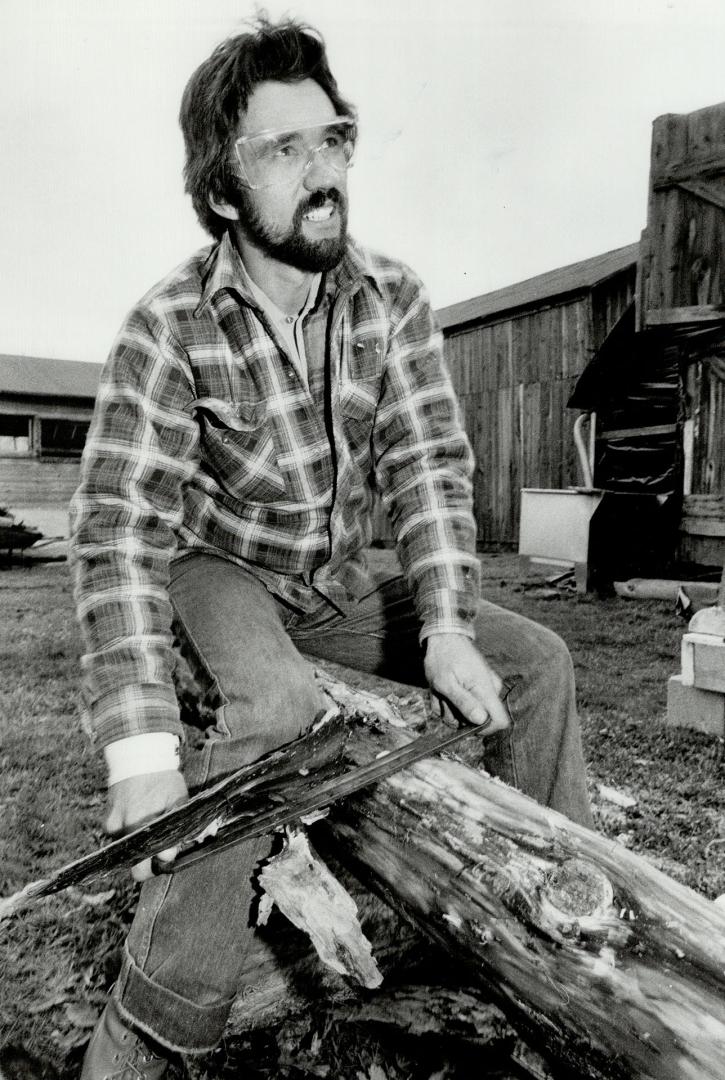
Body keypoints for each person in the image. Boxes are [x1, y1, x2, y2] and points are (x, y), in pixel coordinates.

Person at [70, 16, 593, 1078]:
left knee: (533, 664)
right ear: (221, 191)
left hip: (335, 575)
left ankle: (564, 947)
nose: (324, 173)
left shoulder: (389, 297)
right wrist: (138, 751)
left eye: (334, 139)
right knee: (275, 709)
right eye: (284, 149)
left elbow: (428, 469)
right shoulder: (167, 326)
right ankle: (152, 1028)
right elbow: (119, 529)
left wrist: (444, 625)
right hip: (217, 567)